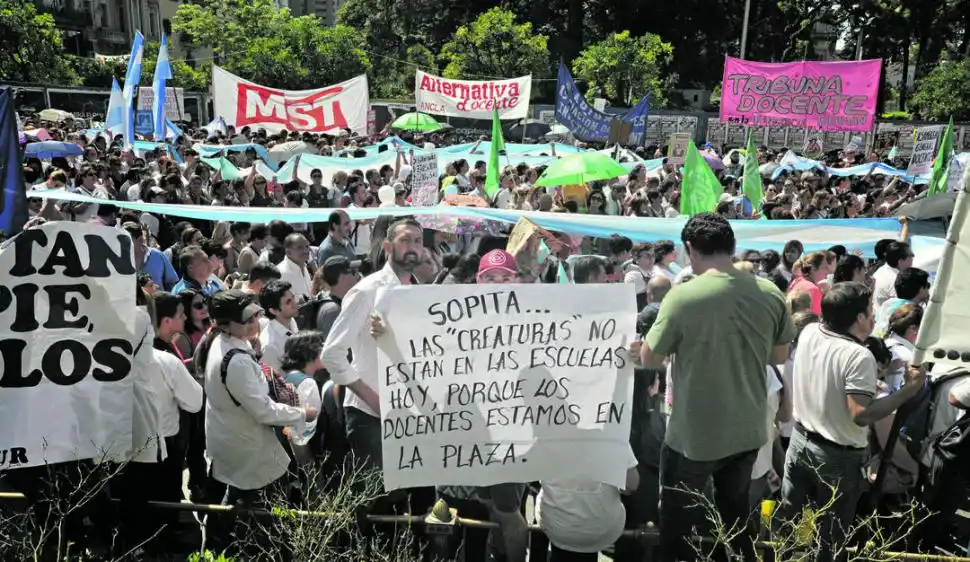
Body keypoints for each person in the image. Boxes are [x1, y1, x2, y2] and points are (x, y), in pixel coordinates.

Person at [638, 212, 795, 562]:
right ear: (733, 246)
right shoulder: (770, 293)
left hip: (694, 436)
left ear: (690, 250)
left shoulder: (682, 297)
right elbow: (780, 353)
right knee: (735, 517)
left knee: (679, 524)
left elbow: (650, 358)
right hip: (748, 430)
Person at [774, 282, 925, 562]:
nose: (874, 317)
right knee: (830, 537)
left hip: (800, 441)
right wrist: (909, 390)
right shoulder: (858, 356)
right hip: (836, 457)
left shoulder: (809, 331)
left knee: (790, 520)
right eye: (870, 311)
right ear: (858, 318)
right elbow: (861, 414)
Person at [258, 280, 300, 372]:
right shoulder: (270, 346)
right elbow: (274, 381)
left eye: (293, 297)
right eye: (288, 302)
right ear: (274, 310)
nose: (295, 303)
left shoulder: (291, 320)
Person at [278, 233, 313, 302]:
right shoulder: (281, 273)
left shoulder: (304, 265)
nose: (306, 250)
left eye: (307, 246)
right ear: (288, 252)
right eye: (300, 248)